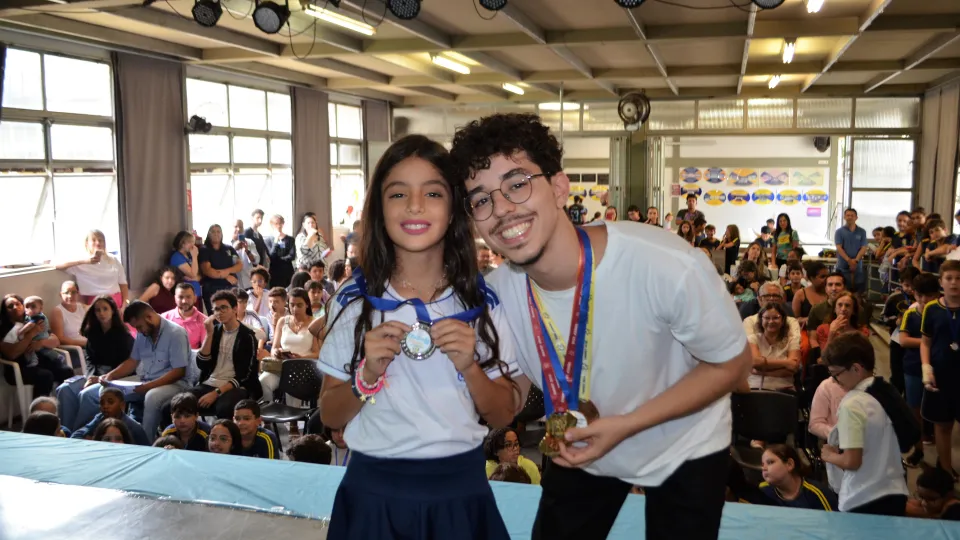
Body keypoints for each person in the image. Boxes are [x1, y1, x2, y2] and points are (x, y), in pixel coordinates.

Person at [450, 113, 750, 540]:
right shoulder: (496, 296)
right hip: (581, 444)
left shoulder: (664, 264)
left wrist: (625, 425)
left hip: (684, 443)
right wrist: (469, 370)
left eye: (517, 184)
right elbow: (510, 396)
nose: (501, 210)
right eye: (481, 200)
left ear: (558, 187)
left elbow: (734, 365)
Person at [318, 135, 521, 540]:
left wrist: (472, 369)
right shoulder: (354, 300)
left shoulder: (484, 302)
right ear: (380, 209)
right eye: (398, 194)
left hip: (460, 491)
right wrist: (367, 375)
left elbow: (504, 414)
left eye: (432, 192)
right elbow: (330, 415)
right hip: (374, 493)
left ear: (453, 209)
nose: (415, 206)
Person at [820, 333, 909, 515]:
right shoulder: (886, 391)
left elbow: (852, 461)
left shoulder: (852, 404)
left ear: (856, 369)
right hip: (895, 490)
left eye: (836, 375)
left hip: (862, 496)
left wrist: (828, 455)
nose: (835, 381)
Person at [86, 301, 190, 439]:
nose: (139, 331)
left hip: (175, 384)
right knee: (107, 391)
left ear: (149, 317)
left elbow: (179, 371)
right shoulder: (143, 333)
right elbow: (132, 361)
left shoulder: (176, 333)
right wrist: (110, 376)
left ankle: (145, 441)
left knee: (152, 396)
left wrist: (148, 386)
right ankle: (109, 435)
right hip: (145, 380)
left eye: (139, 327)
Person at [56, 295, 134, 430]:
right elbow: (90, 360)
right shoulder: (92, 333)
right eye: (98, 310)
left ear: (113, 311)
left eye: (105, 309)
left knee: (86, 395)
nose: (102, 313)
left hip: (114, 378)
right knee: (64, 389)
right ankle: (65, 430)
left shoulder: (123, 336)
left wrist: (100, 379)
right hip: (94, 375)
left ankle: (80, 432)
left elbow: (128, 366)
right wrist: (89, 378)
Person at [192, 290, 262, 419]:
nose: (220, 312)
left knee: (224, 408)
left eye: (224, 307)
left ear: (235, 309)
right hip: (210, 382)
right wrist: (209, 334)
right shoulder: (215, 332)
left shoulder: (247, 336)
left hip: (238, 385)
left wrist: (216, 393)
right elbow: (202, 364)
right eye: (216, 309)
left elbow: (244, 375)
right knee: (179, 403)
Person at [919, 259, 960, 481]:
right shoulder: (932, 309)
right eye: (949, 278)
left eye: (959, 278)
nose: (954, 283)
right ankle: (945, 470)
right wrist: (926, 368)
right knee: (942, 426)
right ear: (941, 282)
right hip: (940, 377)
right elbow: (926, 342)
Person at [900, 272, 940, 468]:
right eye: (919, 295)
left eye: (929, 296)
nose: (924, 300)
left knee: (941, 416)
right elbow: (903, 340)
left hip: (941, 370)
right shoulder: (911, 313)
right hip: (914, 369)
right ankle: (918, 450)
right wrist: (928, 343)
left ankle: (943, 460)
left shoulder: (942, 312)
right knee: (914, 410)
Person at [1, 294, 72, 399]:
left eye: (18, 304)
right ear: (5, 311)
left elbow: (55, 341)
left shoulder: (34, 319)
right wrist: (30, 335)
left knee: (66, 371)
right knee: (45, 376)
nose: (15, 307)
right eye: (10, 306)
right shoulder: (4, 329)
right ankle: (40, 412)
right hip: (18, 368)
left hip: (39, 362)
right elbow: (12, 354)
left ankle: (65, 406)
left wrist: (41, 343)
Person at [55, 230, 129, 308]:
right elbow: (57, 265)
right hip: (93, 303)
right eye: (94, 240)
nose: (98, 243)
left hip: (115, 301)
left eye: (101, 240)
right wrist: (86, 261)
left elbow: (123, 285)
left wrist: (125, 305)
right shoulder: (82, 262)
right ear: (87, 243)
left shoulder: (113, 260)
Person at [752, 444, 837, 510]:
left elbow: (834, 524)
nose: (764, 468)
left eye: (770, 462)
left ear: (789, 464)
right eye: (762, 464)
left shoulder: (818, 493)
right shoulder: (762, 490)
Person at [745, 302, 799, 391]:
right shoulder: (752, 338)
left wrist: (759, 371)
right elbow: (756, 362)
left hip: (784, 388)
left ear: (782, 320)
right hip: (755, 387)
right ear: (761, 320)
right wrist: (786, 363)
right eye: (767, 318)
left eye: (776, 318)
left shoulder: (792, 340)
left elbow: (793, 367)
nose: (771, 321)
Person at [71, 387, 150, 445]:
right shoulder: (100, 418)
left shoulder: (134, 427)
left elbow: (147, 451)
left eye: (110, 402)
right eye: (102, 403)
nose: (105, 406)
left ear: (122, 405)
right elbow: (75, 436)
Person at [199, 224, 243, 312]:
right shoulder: (204, 250)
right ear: (208, 234)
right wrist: (226, 276)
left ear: (222, 234)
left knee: (232, 315)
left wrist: (227, 271)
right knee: (217, 317)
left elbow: (239, 265)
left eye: (218, 231)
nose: (216, 234)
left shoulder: (229, 248)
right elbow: (207, 271)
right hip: (213, 289)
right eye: (213, 232)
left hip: (231, 288)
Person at [49, 280, 89, 370]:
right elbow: (60, 338)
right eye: (66, 292)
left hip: (88, 346)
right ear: (60, 294)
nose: (70, 296)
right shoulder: (57, 311)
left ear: (78, 293)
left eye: (74, 292)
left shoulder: (82, 307)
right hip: (73, 351)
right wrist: (84, 343)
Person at [161, 283, 207, 349]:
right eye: (180, 297)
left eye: (188, 297)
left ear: (195, 298)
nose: (184, 301)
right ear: (175, 298)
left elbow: (205, 349)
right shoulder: (164, 318)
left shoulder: (204, 321)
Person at [834, 208, 868, 294]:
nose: (850, 217)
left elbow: (863, 247)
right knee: (844, 287)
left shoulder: (862, 231)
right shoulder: (839, 232)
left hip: (857, 264)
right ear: (844, 217)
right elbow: (839, 248)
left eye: (852, 215)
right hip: (843, 264)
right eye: (848, 215)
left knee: (858, 287)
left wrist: (855, 260)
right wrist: (849, 260)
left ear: (856, 217)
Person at [169, 231, 203, 309]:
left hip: (196, 294)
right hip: (186, 296)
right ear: (182, 243)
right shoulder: (177, 257)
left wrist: (195, 278)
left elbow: (199, 274)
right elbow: (193, 274)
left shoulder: (189, 256)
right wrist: (195, 256)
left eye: (193, 242)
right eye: (190, 242)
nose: (192, 245)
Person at [265, 214, 296, 288]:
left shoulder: (290, 239)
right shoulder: (268, 240)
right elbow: (271, 256)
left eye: (280, 223)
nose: (278, 226)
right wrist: (276, 241)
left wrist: (279, 259)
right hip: (274, 271)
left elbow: (292, 255)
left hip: (287, 270)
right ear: (272, 225)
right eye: (276, 224)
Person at [232, 220, 260, 290]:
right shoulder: (226, 245)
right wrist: (234, 249)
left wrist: (247, 251)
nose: (238, 229)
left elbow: (256, 260)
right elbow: (225, 263)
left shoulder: (249, 242)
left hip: (249, 283)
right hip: (234, 284)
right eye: (236, 227)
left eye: (240, 227)